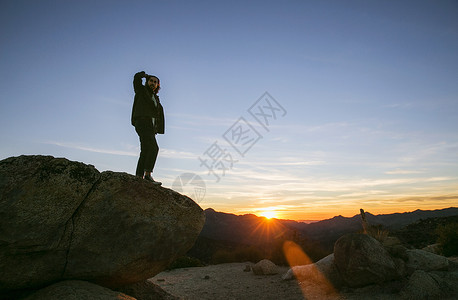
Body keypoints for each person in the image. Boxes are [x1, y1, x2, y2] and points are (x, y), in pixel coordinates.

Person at [131, 71, 165, 185]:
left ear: (157, 85)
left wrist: (156, 128)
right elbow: (136, 78)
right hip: (142, 122)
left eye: (155, 82)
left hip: (150, 126)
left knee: (145, 150)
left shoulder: (156, 98)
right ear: (147, 82)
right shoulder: (141, 91)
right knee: (154, 148)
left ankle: (139, 177)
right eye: (151, 81)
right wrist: (145, 75)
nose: (153, 83)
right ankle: (148, 175)